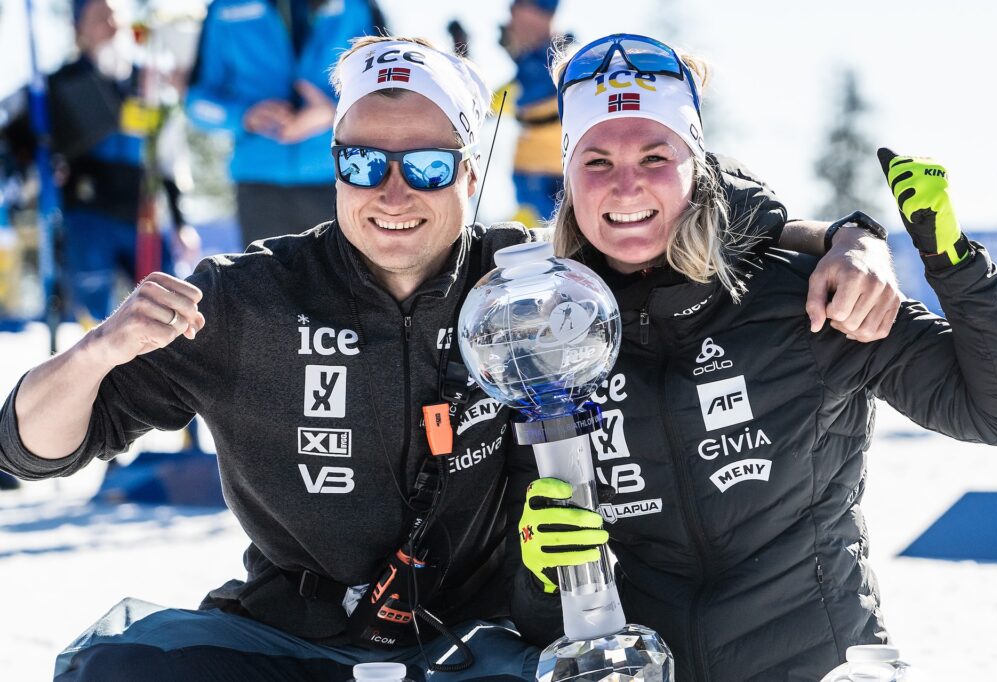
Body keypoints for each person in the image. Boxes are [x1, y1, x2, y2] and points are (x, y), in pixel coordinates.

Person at [0, 35, 899, 680]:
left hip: (478, 646)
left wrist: (850, 236)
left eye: (428, 166)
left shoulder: (535, 286)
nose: (394, 192)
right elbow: (28, 450)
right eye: (364, 163)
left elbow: (684, 220)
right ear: (335, 166)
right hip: (287, 637)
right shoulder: (246, 298)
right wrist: (99, 351)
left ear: (472, 171)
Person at [508, 34, 997, 681]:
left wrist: (952, 261)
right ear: (568, 177)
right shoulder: (550, 340)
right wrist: (539, 573)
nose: (627, 184)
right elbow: (538, 613)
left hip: (820, 665)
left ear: (696, 163)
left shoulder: (805, 294)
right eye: (597, 160)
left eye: (655, 155)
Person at [185, 0, 386, 247]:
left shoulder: (359, 6)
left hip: (340, 177)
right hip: (259, 183)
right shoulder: (225, 8)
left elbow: (391, 93)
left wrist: (334, 114)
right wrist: (244, 116)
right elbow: (196, 102)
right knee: (263, 273)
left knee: (342, 272)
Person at [46, 0, 198, 322]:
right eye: (100, 18)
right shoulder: (58, 84)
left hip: (142, 212)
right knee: (94, 316)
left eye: (115, 17)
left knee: (167, 306)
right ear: (79, 29)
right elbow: (36, 146)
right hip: (87, 214)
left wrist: (180, 221)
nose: (112, 26)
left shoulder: (147, 80)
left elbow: (168, 155)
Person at [496, 0, 566, 227]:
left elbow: (518, 96)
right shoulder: (537, 63)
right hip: (540, 172)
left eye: (517, 6)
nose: (510, 14)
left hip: (542, 175)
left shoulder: (547, 65)